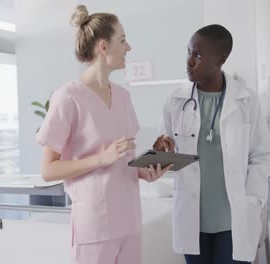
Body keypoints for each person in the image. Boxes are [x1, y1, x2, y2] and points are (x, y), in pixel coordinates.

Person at [36, 5, 172, 264]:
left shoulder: (123, 97)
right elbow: (48, 170)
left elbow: (122, 161)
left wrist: (144, 172)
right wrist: (100, 159)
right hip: (95, 226)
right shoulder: (67, 98)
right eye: (122, 40)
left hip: (130, 221)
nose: (128, 47)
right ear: (103, 46)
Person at [153, 24, 270, 264]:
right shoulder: (174, 99)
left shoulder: (246, 100)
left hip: (233, 219)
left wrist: (253, 197)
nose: (189, 61)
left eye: (197, 55)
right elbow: (166, 152)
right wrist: (162, 150)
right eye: (188, 52)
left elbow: (261, 155)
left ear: (221, 58)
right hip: (193, 219)